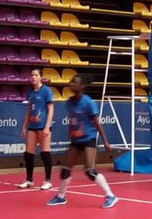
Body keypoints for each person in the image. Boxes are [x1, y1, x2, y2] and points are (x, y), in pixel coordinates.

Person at [45, 74, 118, 209]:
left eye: (75, 82)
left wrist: (105, 141)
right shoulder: (69, 102)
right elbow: (72, 122)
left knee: (89, 170)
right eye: (71, 81)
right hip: (76, 140)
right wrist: (70, 137)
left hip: (89, 138)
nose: (71, 83)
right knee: (65, 170)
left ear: (82, 86)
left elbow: (97, 123)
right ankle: (61, 197)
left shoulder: (88, 102)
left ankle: (110, 195)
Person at [17, 69, 55, 190]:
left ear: (40, 77)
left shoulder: (46, 91)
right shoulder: (30, 92)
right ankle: (29, 180)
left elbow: (51, 109)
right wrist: (24, 126)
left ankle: (48, 181)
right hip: (32, 127)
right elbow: (28, 110)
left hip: (43, 126)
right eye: (32, 75)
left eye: (36, 75)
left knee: (45, 153)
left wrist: (47, 127)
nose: (33, 77)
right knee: (28, 154)